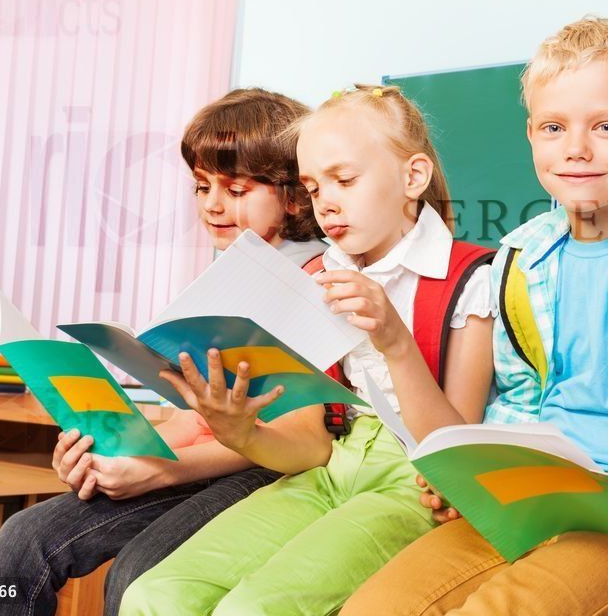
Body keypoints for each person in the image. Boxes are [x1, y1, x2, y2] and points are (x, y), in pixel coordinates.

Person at [343, 17, 608, 616]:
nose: (576, 148)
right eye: (554, 127)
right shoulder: (520, 257)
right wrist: (483, 476)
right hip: (537, 498)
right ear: (532, 135)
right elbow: (520, 401)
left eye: (605, 126)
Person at [120, 84, 496, 616]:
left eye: (345, 180)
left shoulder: (469, 279)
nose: (328, 204)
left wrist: (395, 343)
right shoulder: (319, 276)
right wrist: (241, 430)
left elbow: (455, 458)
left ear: (413, 178)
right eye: (315, 188)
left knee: (252, 610)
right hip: (327, 468)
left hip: (414, 481)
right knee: (154, 595)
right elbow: (311, 447)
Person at [0, 88, 333, 616]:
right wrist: (115, 455)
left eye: (234, 189)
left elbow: (297, 437)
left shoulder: (319, 282)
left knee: (138, 573)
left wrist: (162, 470)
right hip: (206, 459)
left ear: (294, 196)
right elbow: (193, 416)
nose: (211, 205)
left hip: (270, 465)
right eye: (202, 186)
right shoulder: (223, 278)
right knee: (24, 537)